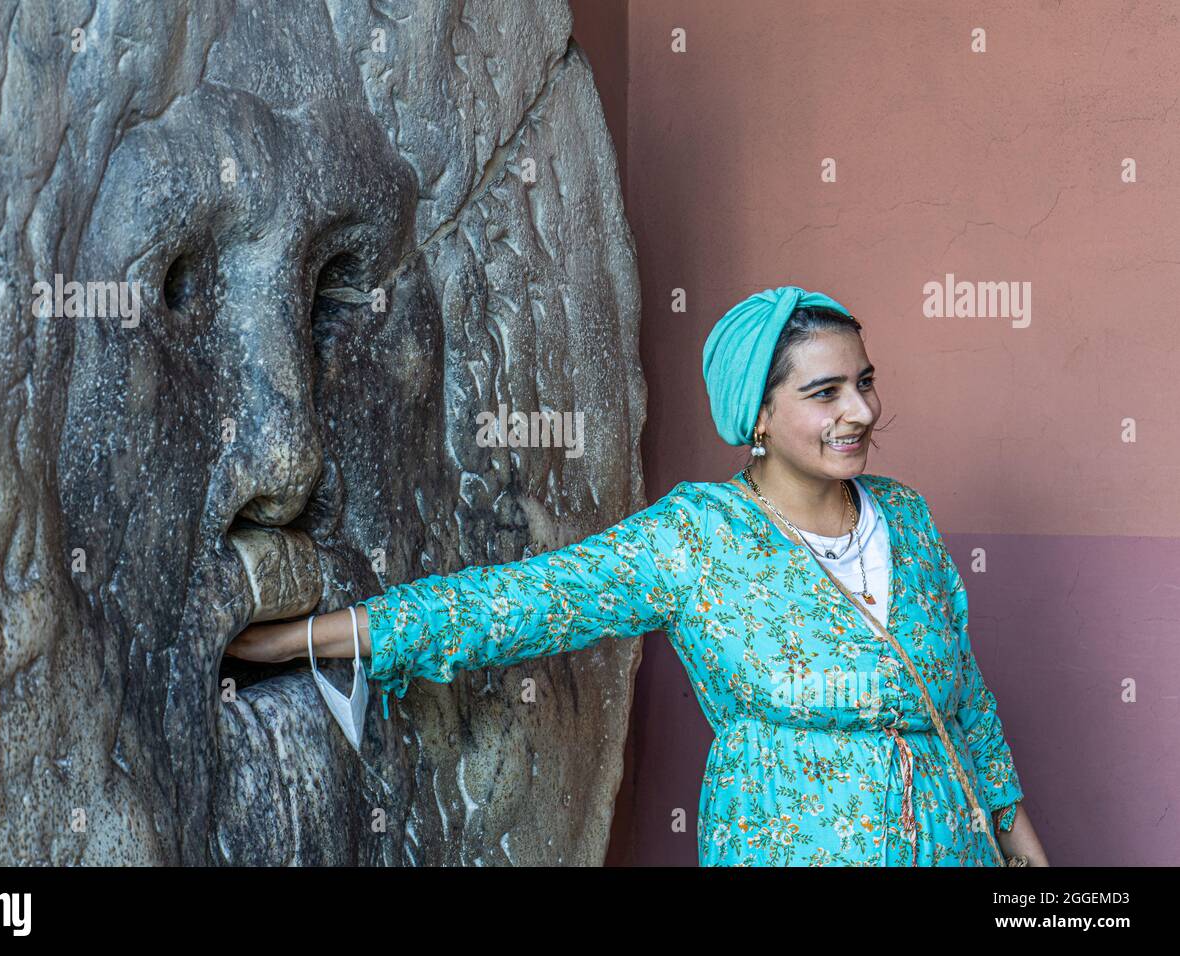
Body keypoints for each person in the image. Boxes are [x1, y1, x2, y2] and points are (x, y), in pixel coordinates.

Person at [225, 284, 1049, 867]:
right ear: (757, 416)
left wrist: (1031, 862)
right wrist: (302, 639)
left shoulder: (904, 517)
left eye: (865, 383)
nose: (862, 411)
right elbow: (521, 604)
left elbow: (963, 697)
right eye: (826, 392)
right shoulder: (698, 538)